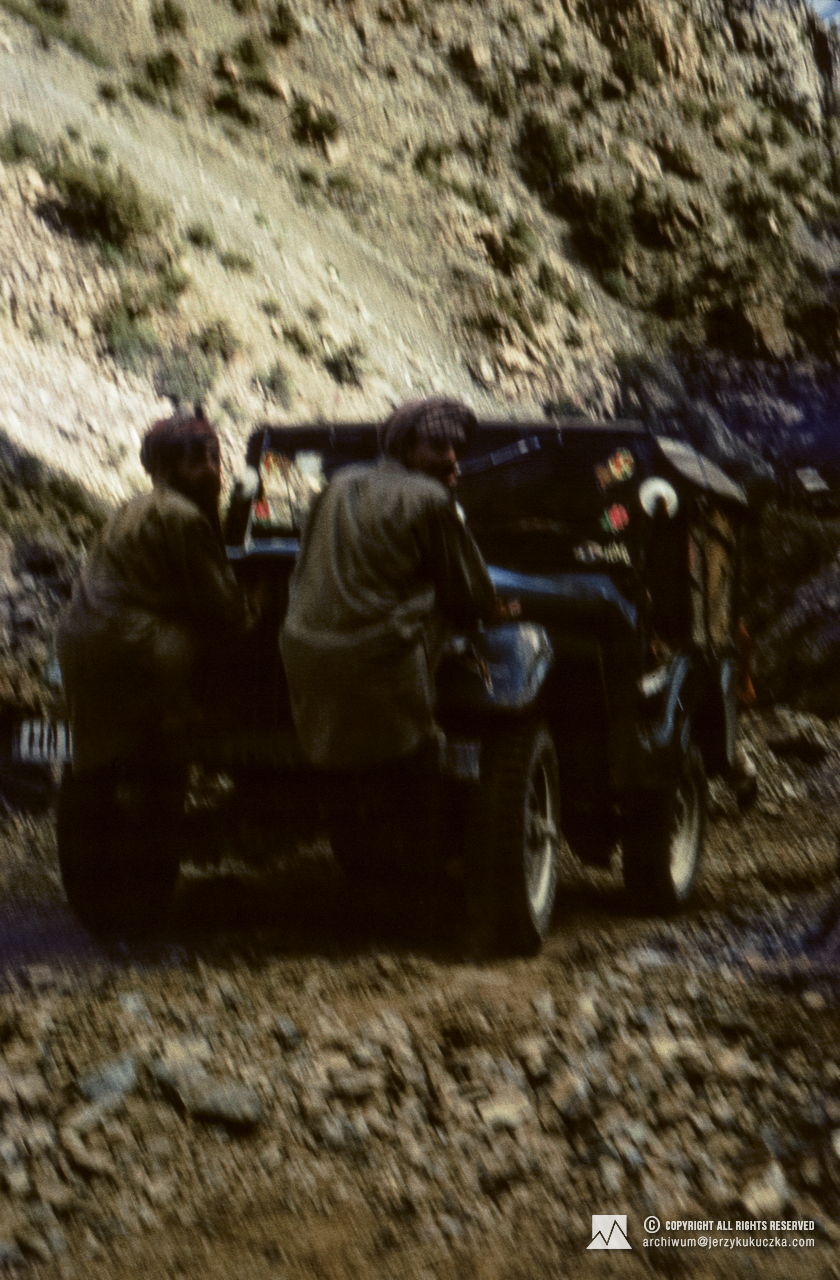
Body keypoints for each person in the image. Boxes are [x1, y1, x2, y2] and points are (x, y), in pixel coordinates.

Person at [280, 396, 509, 773]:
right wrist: (497, 609)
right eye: (438, 447)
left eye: (455, 448)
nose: (452, 457)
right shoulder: (430, 498)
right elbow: (470, 596)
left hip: (305, 653)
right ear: (405, 447)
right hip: (380, 663)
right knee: (411, 782)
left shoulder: (339, 483)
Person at [57, 406, 258, 777]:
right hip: (132, 648)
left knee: (93, 765)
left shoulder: (132, 507)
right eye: (198, 459)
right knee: (232, 641)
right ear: (165, 466)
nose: (213, 471)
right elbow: (226, 608)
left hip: (80, 641)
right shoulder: (182, 516)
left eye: (215, 458)